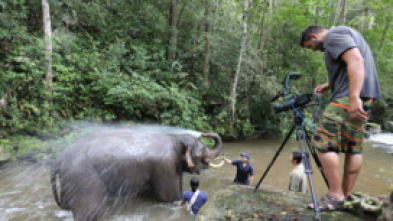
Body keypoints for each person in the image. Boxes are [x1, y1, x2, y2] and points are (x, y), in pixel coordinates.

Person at [300, 26, 381, 211]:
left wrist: (353, 97)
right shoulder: (349, 33)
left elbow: (355, 59)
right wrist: (331, 84)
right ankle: (345, 195)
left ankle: (335, 196)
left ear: (313, 36)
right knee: (354, 146)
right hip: (366, 96)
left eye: (310, 45)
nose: (313, 49)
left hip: (349, 98)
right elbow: (353, 62)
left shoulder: (333, 36)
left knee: (322, 142)